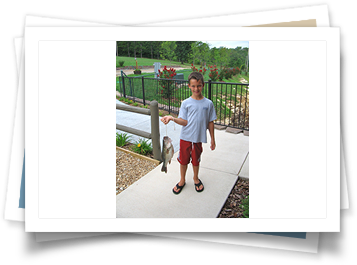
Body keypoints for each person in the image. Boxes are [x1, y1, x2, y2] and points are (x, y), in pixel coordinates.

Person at [161, 71, 217, 194]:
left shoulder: (208, 103)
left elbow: (210, 122)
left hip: (198, 138)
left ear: (203, 85)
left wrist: (212, 138)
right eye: (193, 86)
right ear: (189, 86)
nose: (196, 88)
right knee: (184, 160)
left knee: (196, 160)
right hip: (185, 137)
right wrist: (172, 118)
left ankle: (195, 178)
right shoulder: (186, 103)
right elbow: (184, 122)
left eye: (199, 85)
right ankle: (182, 180)